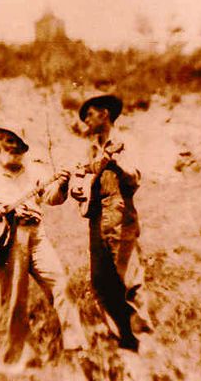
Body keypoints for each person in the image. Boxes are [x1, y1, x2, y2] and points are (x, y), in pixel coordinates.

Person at [0, 127, 88, 367]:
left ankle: (76, 346)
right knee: (14, 300)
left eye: (18, 143)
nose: (13, 147)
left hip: (37, 235)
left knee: (60, 284)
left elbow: (53, 198)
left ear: (24, 148)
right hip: (8, 241)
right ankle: (16, 357)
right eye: (8, 142)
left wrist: (62, 183)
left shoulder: (35, 172)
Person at [70, 95, 152, 352]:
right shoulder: (90, 150)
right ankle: (123, 338)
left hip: (119, 213)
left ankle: (144, 337)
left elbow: (135, 179)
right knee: (100, 281)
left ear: (105, 114)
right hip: (95, 218)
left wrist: (117, 165)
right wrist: (78, 190)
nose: (85, 120)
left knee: (129, 279)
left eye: (89, 114)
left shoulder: (126, 143)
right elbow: (79, 182)